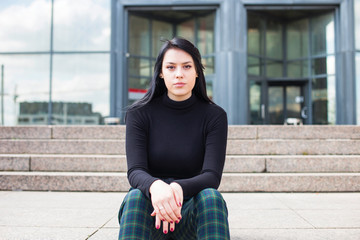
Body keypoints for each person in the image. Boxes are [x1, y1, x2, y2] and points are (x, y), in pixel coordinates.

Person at [118, 37, 230, 240]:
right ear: (160, 72)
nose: (179, 74)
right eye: (171, 67)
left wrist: (177, 188)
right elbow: (135, 171)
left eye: (187, 66)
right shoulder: (139, 113)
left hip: (191, 217)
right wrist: (156, 187)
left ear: (197, 71)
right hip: (150, 214)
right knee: (135, 197)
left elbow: (212, 176)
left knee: (211, 197)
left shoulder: (214, 116)